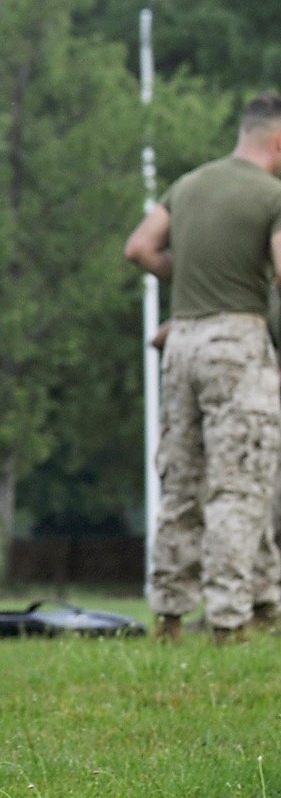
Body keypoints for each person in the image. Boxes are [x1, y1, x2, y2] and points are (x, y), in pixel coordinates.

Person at [126, 93, 281, 644]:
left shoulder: (188, 185)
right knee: (240, 485)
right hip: (238, 342)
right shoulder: (272, 195)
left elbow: (141, 248)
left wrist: (190, 285)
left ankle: (169, 615)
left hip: (182, 339)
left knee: (182, 483)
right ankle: (228, 620)